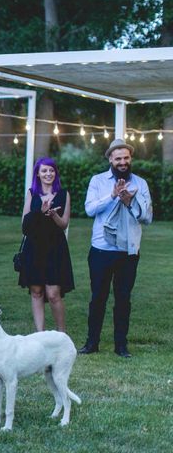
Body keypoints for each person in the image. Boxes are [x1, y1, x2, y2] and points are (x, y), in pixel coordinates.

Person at [78, 138, 152, 358]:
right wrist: (111, 196)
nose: (122, 162)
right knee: (97, 297)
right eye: (118, 158)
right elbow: (90, 209)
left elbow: (147, 217)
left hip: (128, 251)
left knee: (123, 299)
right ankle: (92, 343)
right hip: (101, 249)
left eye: (126, 158)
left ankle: (121, 345)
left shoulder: (141, 183)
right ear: (110, 158)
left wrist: (130, 202)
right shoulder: (98, 181)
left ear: (130, 159)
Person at [18, 157, 74, 332]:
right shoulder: (32, 194)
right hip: (34, 247)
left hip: (55, 247)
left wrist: (53, 215)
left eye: (51, 170)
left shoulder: (64, 194)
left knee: (53, 294)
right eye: (44, 171)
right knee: (36, 292)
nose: (48, 174)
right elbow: (24, 226)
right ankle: (40, 334)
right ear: (38, 174)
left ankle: (61, 333)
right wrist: (40, 212)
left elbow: (64, 224)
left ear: (55, 173)